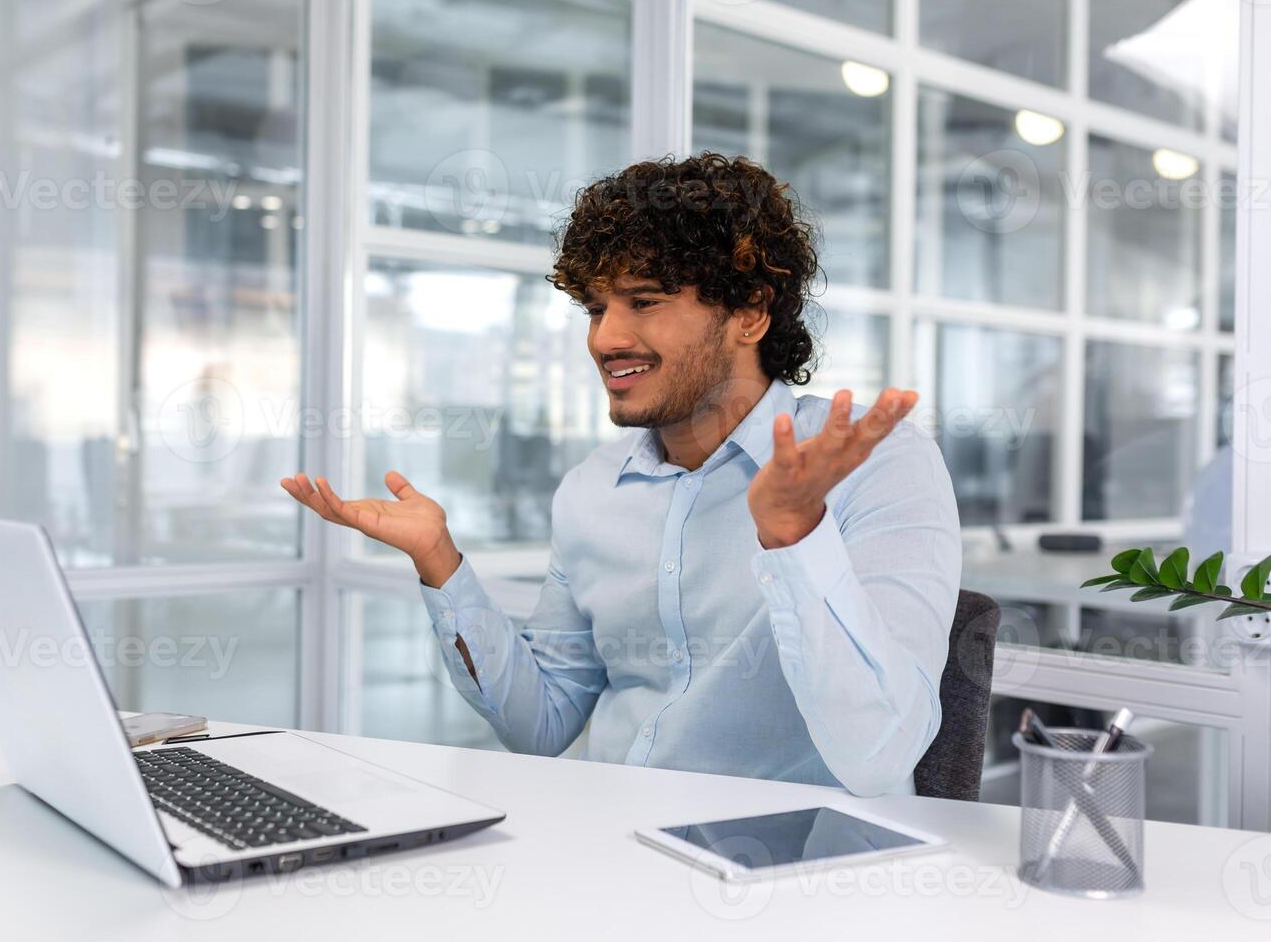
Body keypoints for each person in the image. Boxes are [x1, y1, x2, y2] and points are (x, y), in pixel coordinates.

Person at [283, 153, 962, 797]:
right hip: (610, 849)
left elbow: (881, 754)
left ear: (750, 312)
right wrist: (440, 561)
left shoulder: (874, 463)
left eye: (643, 301)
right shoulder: (590, 491)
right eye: (596, 308)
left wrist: (796, 536)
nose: (604, 338)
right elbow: (541, 726)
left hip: (789, 882)